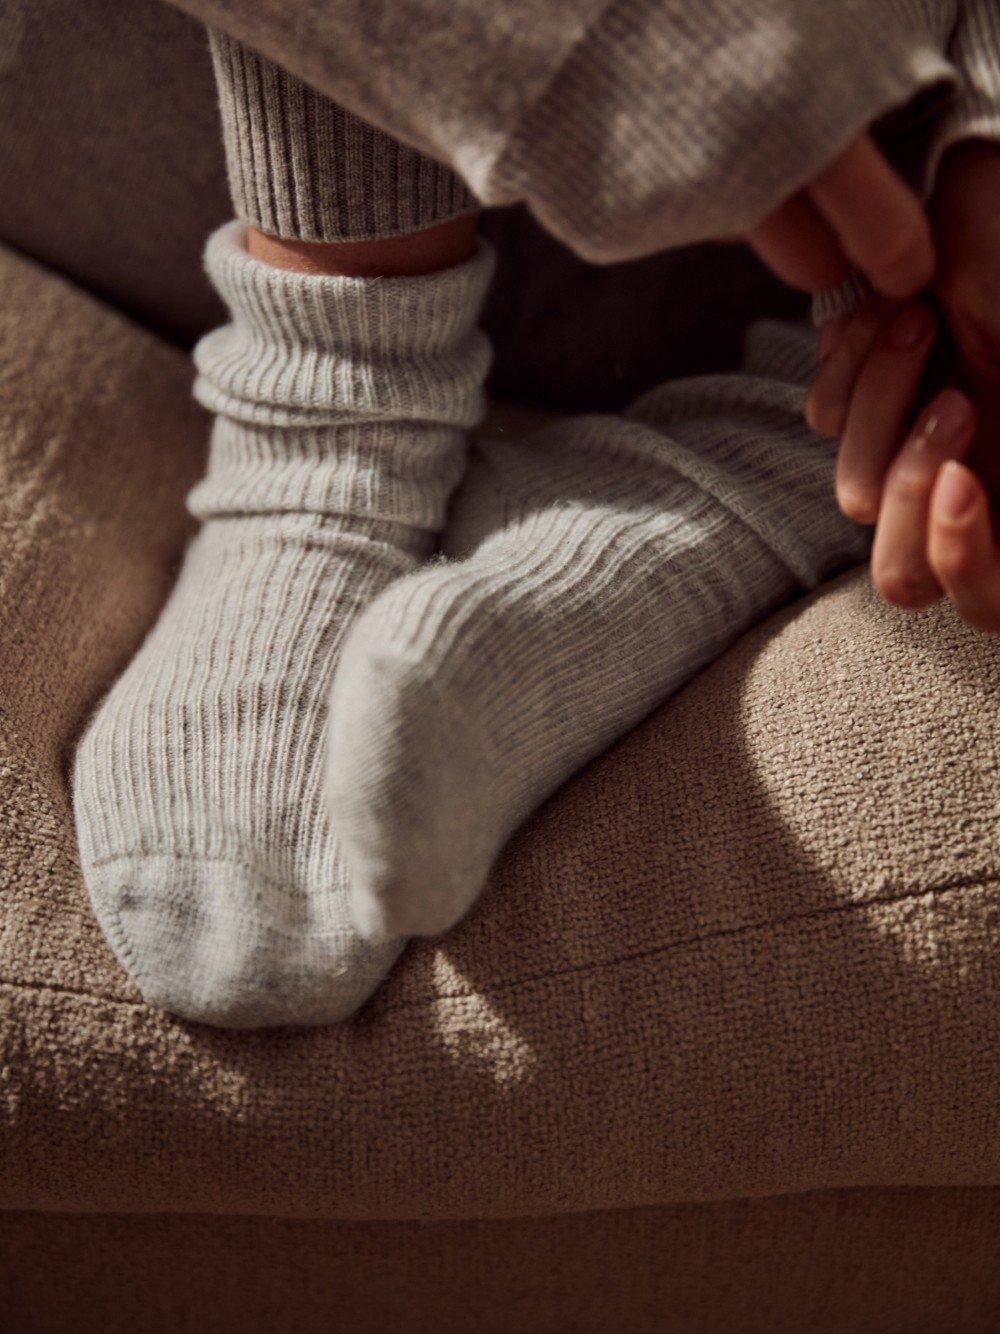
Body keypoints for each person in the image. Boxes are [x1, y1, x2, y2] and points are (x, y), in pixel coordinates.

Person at [72, 9, 1000, 1027]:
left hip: (838, 203)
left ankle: (782, 440)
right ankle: (336, 389)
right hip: (217, 126)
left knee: (928, 343)